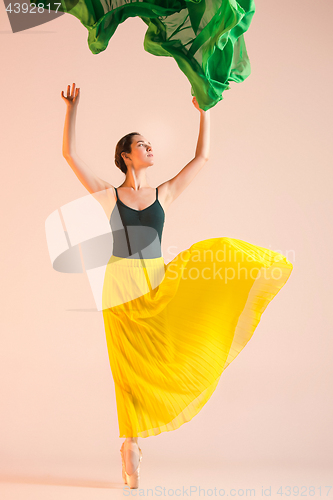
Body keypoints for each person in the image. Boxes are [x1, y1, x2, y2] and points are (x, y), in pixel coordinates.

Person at [61, 82, 293, 489]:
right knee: (127, 368)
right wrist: (71, 109)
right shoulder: (107, 194)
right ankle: (130, 444)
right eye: (142, 144)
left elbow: (202, 156)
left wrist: (205, 108)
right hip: (120, 288)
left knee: (156, 355)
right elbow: (70, 155)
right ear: (125, 155)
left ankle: (131, 443)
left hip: (152, 279)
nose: (150, 148)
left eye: (150, 143)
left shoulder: (162, 194)